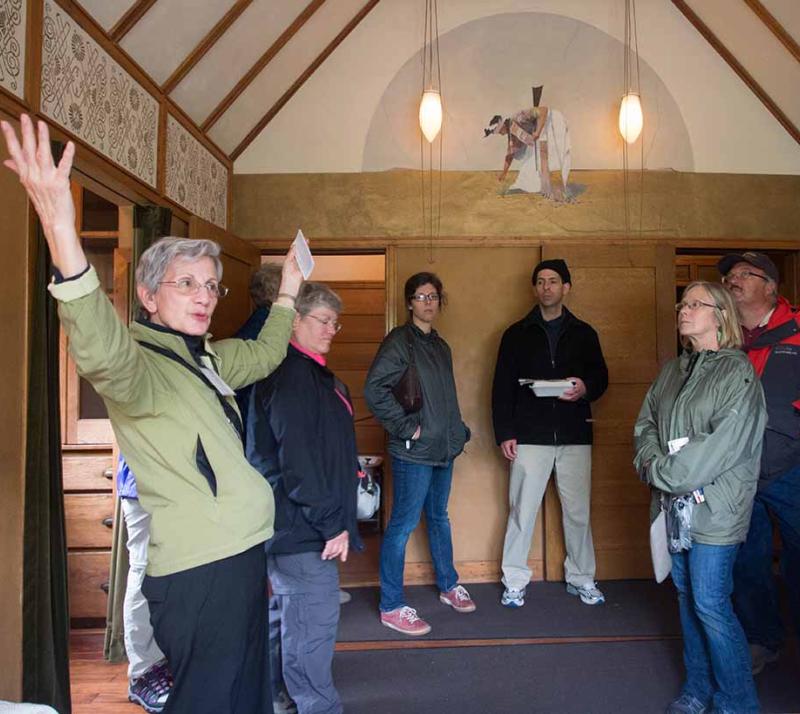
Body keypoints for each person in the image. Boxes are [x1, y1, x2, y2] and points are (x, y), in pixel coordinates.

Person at [1, 114, 304, 714]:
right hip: (201, 570)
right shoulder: (141, 364)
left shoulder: (208, 356)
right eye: (184, 282)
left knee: (247, 699)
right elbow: (100, 351)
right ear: (147, 296)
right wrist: (61, 231)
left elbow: (267, 354)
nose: (203, 295)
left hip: (241, 554)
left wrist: (290, 289)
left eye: (211, 285)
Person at [634, 280, 766, 714]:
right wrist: (652, 462)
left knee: (710, 601)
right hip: (675, 507)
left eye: (695, 304)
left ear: (721, 315)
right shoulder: (673, 370)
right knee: (687, 597)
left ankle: (737, 703)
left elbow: (721, 446)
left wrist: (664, 472)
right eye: (682, 303)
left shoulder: (738, 372)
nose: (684, 310)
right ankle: (697, 690)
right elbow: (647, 425)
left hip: (716, 507)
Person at [245, 281, 363, 714]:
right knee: (312, 627)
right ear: (295, 321)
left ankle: (284, 702)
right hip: (302, 527)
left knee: (290, 622)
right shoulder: (292, 375)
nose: (332, 329)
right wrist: (332, 523)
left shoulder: (308, 371)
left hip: (296, 524)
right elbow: (298, 461)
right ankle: (318, 708)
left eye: (336, 322)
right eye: (323, 320)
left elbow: (318, 447)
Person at [492, 259, 608, 608]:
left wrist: (585, 387)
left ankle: (582, 577)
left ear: (566, 287)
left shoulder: (585, 332)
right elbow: (501, 388)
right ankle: (514, 579)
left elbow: (601, 377)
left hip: (574, 434)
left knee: (578, 513)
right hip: (529, 434)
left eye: (553, 281)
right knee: (521, 511)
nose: (546, 287)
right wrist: (505, 432)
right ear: (535, 288)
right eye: (540, 281)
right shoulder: (515, 333)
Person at [364, 272, 474, 637]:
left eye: (433, 296)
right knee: (402, 525)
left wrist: (456, 431)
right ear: (409, 302)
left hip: (443, 449)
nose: (428, 302)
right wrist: (406, 427)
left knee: (439, 517)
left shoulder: (440, 346)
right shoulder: (399, 342)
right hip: (413, 451)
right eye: (421, 297)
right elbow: (374, 389)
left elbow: (445, 399)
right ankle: (392, 605)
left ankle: (448, 585)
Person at [718, 252, 800, 675]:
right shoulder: (724, 339)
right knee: (747, 561)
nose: (731, 280)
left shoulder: (798, 329)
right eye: (728, 275)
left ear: (769, 285)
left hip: (792, 469)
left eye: (742, 274)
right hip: (738, 473)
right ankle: (762, 640)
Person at [117, 455, 172, 713]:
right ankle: (142, 672)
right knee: (143, 567)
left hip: (175, 481)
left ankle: (159, 666)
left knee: (173, 570)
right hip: (144, 479)